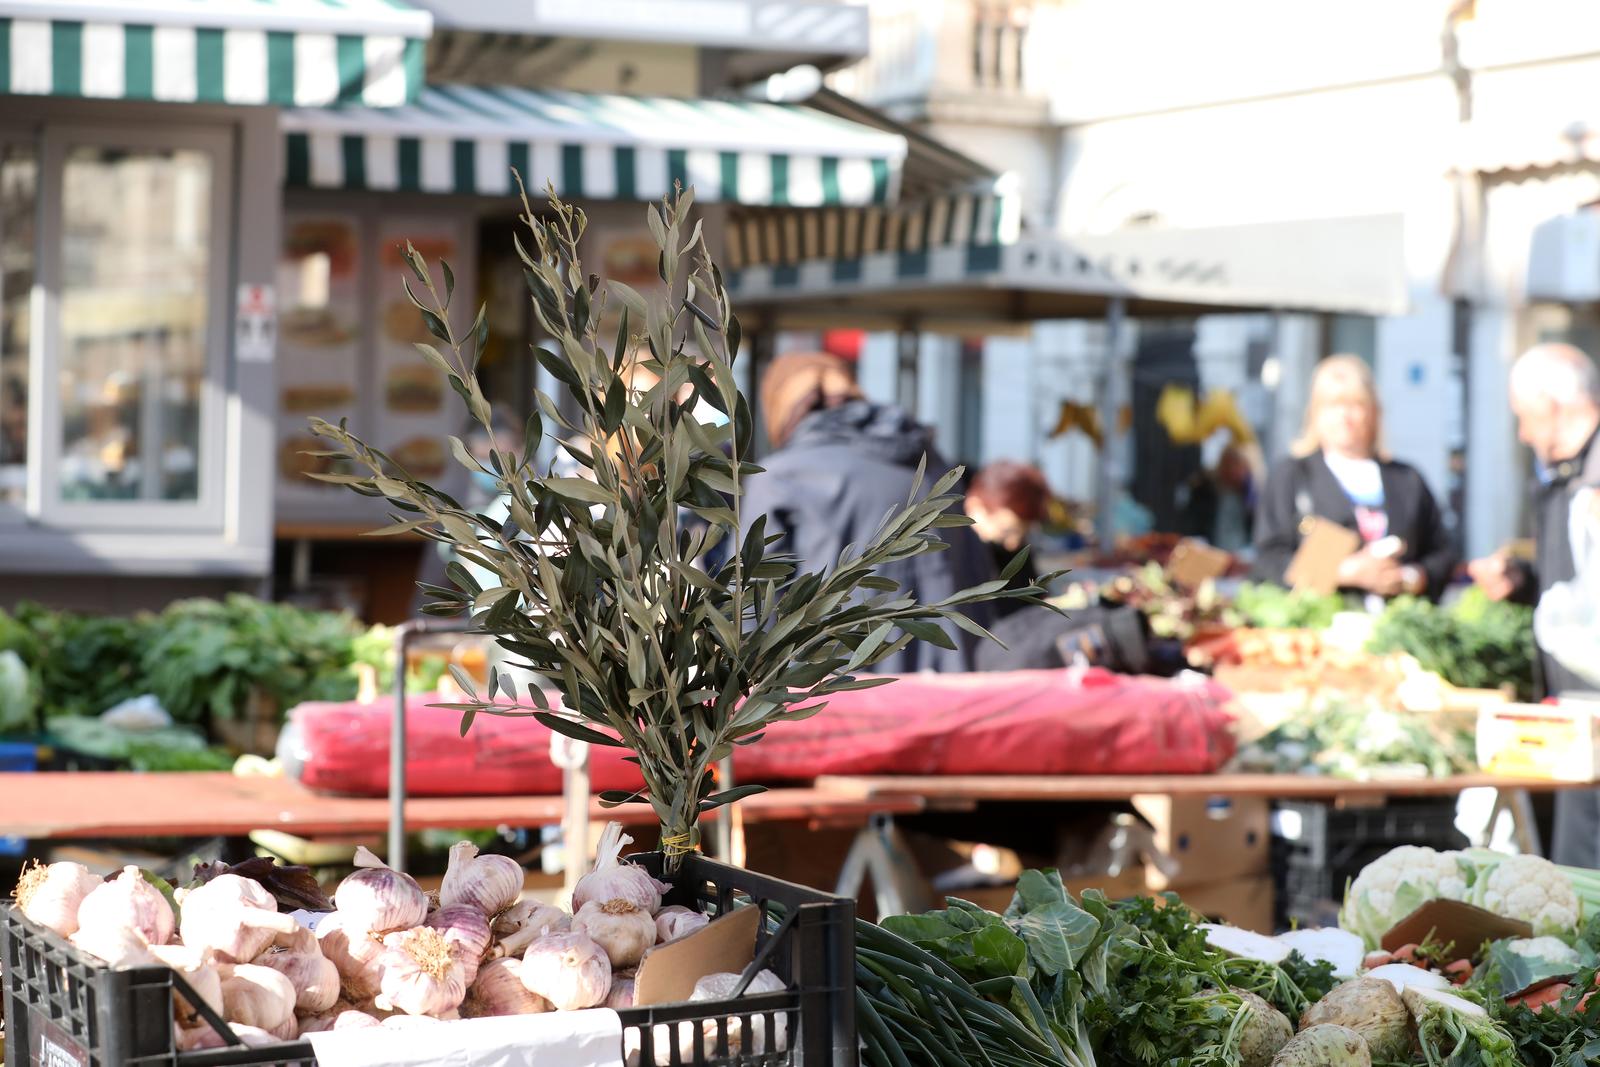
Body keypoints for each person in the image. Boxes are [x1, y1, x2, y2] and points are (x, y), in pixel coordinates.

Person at [740, 352, 998, 674]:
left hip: (838, 690)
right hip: (948, 681)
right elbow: (977, 575)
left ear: (778, 407)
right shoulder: (931, 462)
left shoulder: (782, 476)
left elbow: (750, 606)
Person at [1469, 342, 1600, 867]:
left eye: (1525, 416)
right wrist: (1524, 582)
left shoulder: (1593, 480)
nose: (1522, 433)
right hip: (1574, 710)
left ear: (1555, 403)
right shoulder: (1568, 475)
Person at [1253, 354, 1457, 602]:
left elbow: (1442, 552)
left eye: (1355, 405)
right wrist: (1342, 572)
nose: (1344, 417)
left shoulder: (1406, 480)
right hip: (1321, 626)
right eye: (1333, 405)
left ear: (1373, 412)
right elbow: (1268, 559)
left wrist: (1410, 577)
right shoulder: (1292, 477)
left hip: (1395, 623)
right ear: (1315, 413)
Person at [964, 460, 1053, 617]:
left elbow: (1033, 596)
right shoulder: (950, 549)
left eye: (1023, 533)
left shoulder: (1016, 551)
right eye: (1007, 531)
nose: (1013, 543)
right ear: (975, 506)